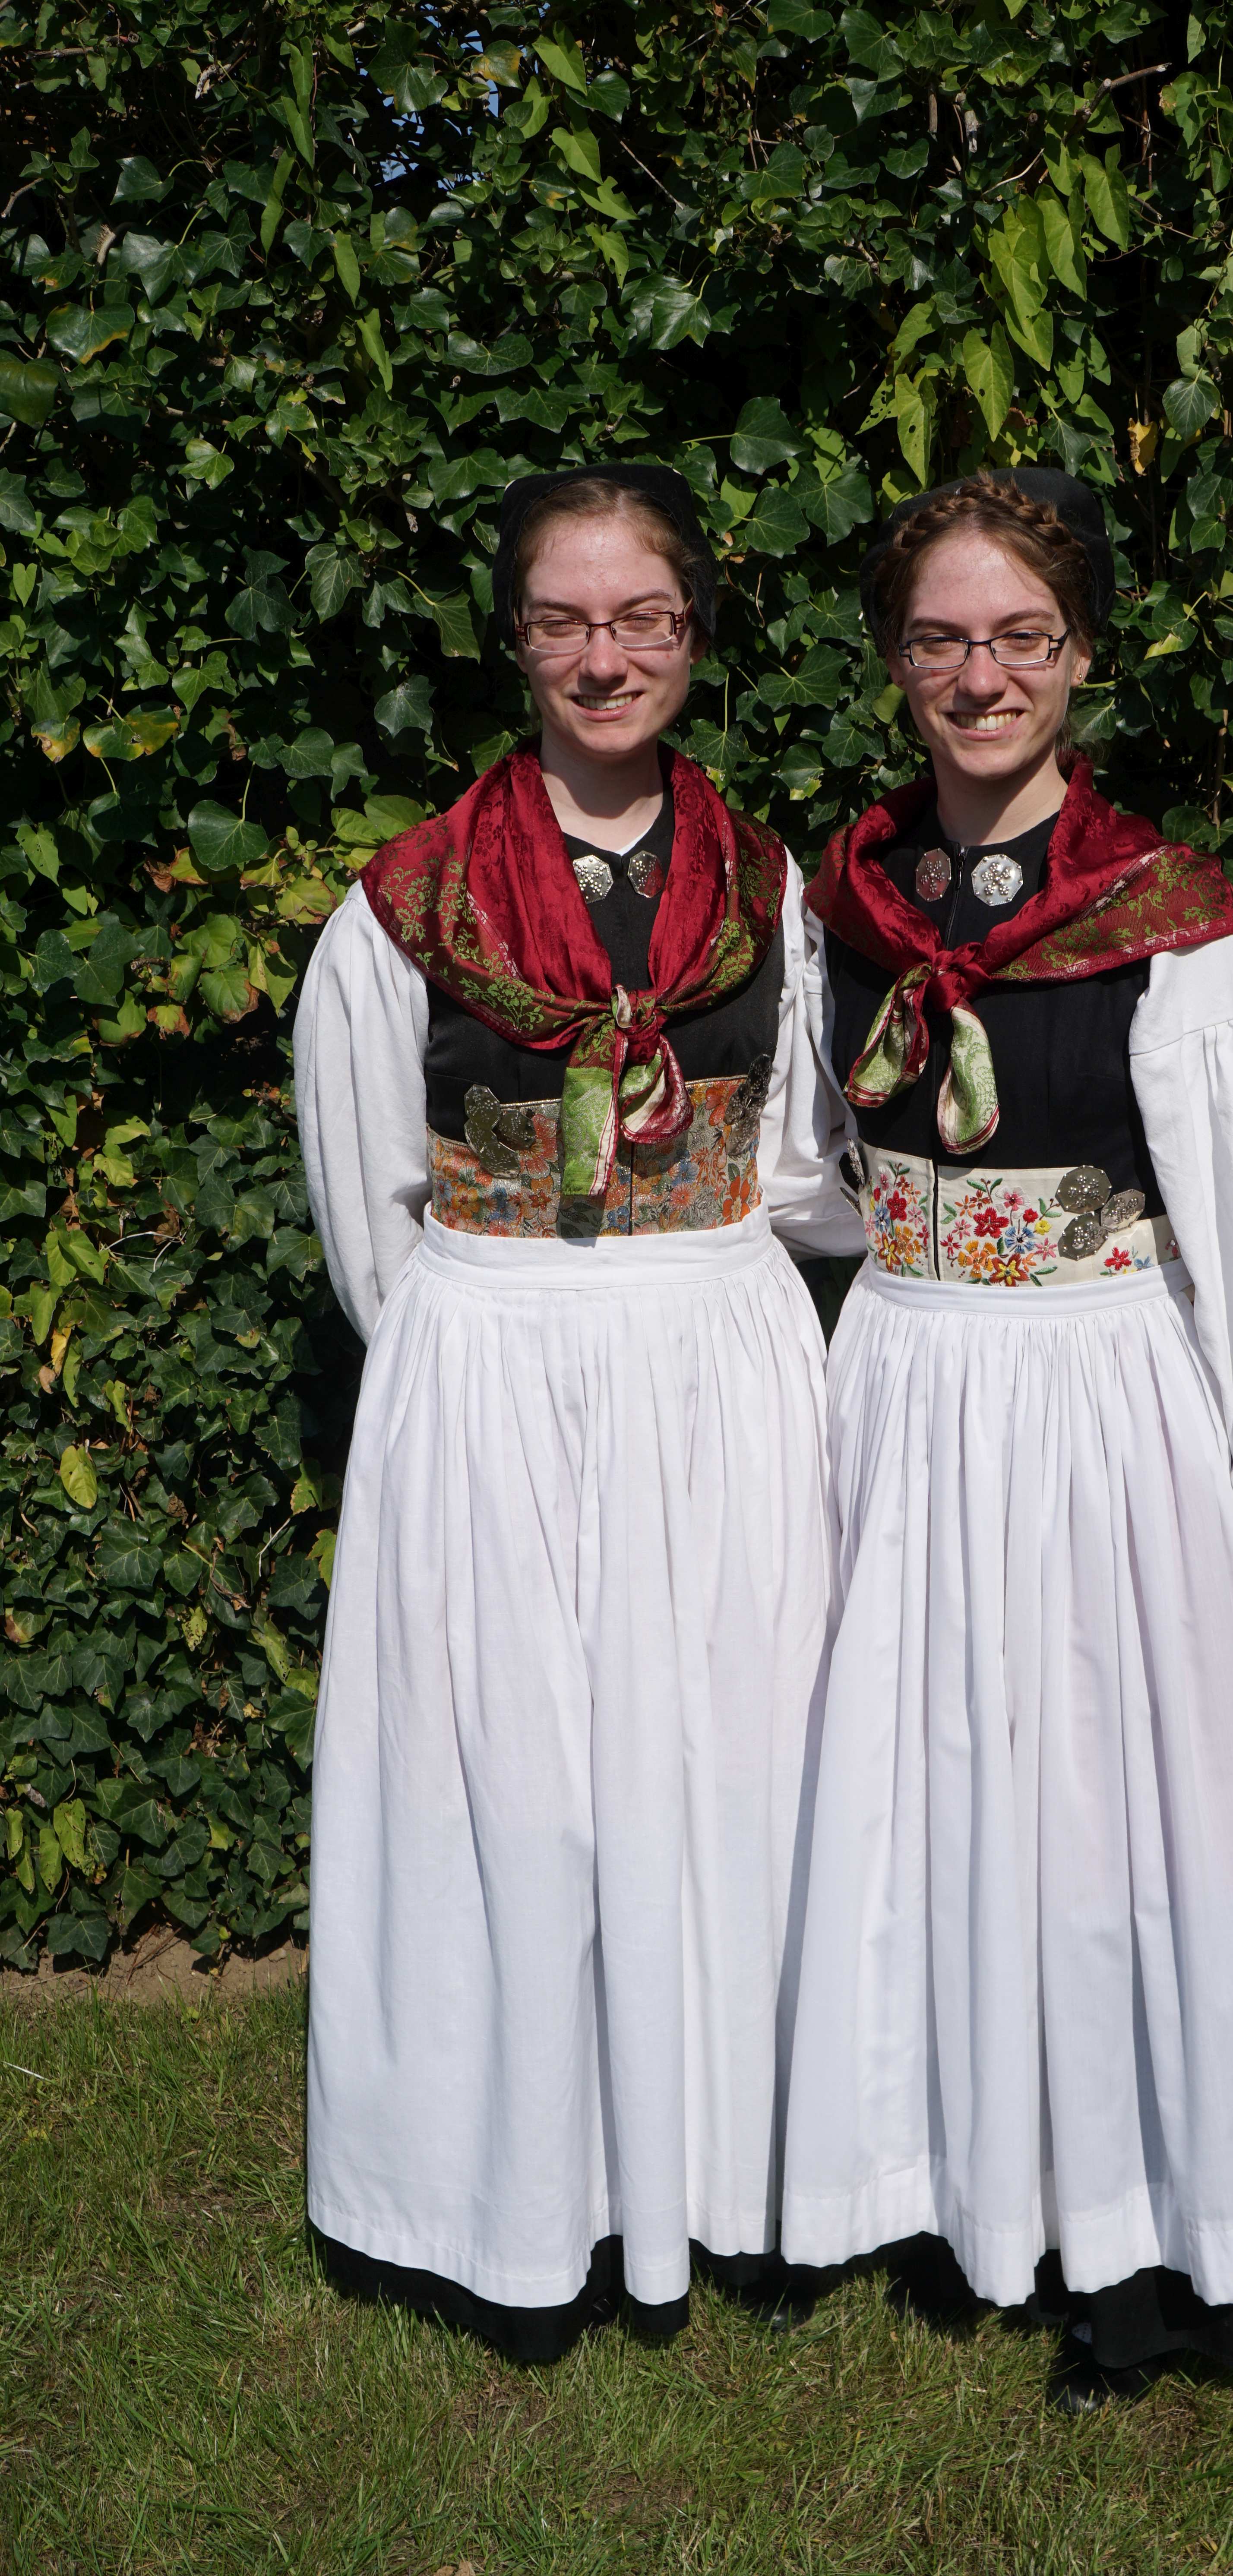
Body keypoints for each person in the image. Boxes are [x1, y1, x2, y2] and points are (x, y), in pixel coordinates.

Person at [780, 468, 1233, 2408]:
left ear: (1082, 658)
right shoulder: (843, 900)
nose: (981, 679)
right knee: (935, 1800)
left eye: (1019, 639)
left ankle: (1153, 2252)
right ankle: (965, 2190)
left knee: (1121, 1832)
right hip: (906, 1388)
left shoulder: (1170, 922)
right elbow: (810, 1170)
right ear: (897, 663)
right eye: (942, 641)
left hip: (1103, 1404)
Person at [293, 464, 860, 2362]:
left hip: (718, 1361)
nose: (605, 658)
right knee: (514, 1789)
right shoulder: (405, 905)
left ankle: (724, 2185)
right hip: (494, 1366)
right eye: (564, 620)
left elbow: (805, 1166)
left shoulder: (770, 890)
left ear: (693, 634)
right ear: (516, 640)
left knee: (731, 1760)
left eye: (642, 618)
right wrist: (488, 1346)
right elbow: (370, 1205)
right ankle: (514, 2205)